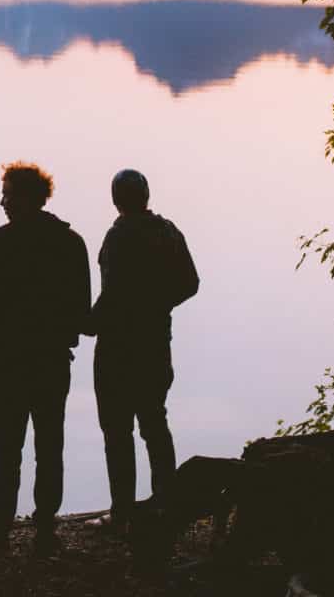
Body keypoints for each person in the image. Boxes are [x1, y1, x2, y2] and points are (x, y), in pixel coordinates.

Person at [0, 162, 91, 556]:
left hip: (7, 364)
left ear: (24, 198)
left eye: (6, 193)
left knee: (6, 449)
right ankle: (44, 529)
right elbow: (81, 309)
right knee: (49, 446)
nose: (2, 201)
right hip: (51, 361)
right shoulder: (70, 243)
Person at [90, 169, 199, 534]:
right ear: (147, 195)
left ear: (115, 199)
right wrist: (158, 305)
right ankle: (165, 506)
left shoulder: (119, 236)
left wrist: (86, 323)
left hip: (117, 348)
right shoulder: (167, 232)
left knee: (117, 432)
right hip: (155, 343)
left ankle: (122, 512)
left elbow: (112, 296)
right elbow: (190, 283)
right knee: (155, 422)